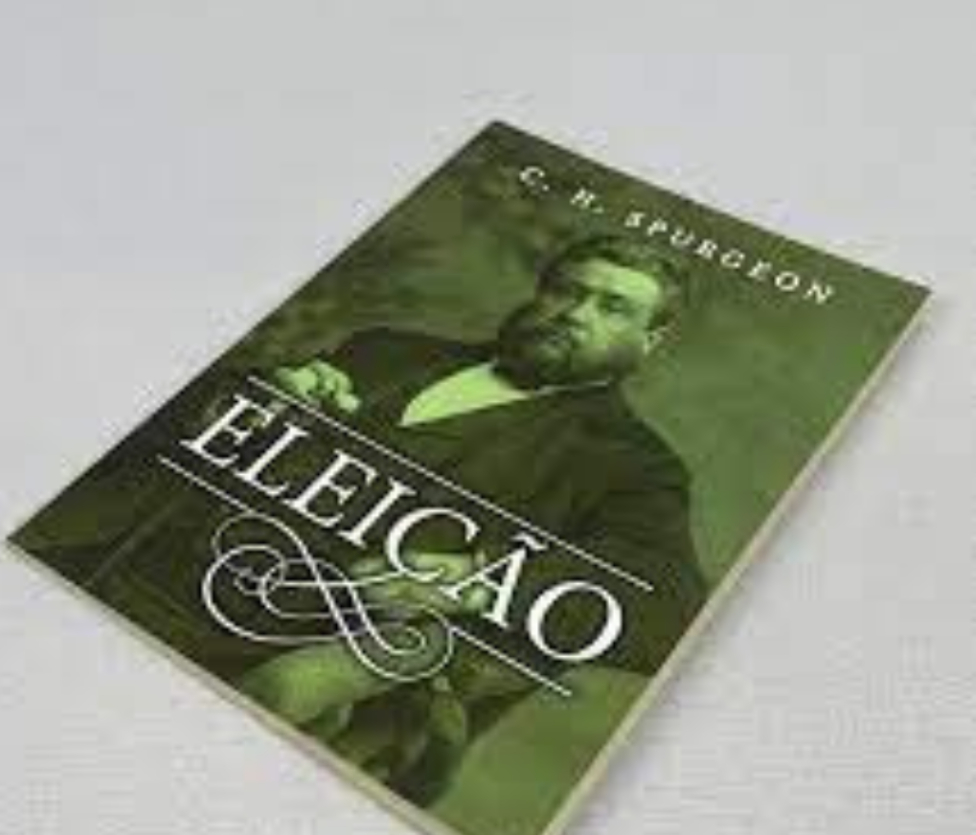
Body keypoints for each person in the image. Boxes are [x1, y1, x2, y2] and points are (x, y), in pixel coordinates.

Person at [239, 235, 708, 802]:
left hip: (328, 639)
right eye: (567, 291)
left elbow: (668, 606)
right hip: (211, 569)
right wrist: (262, 403)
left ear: (649, 339)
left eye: (613, 308)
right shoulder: (386, 351)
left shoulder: (630, 463)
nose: (576, 314)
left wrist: (478, 579)